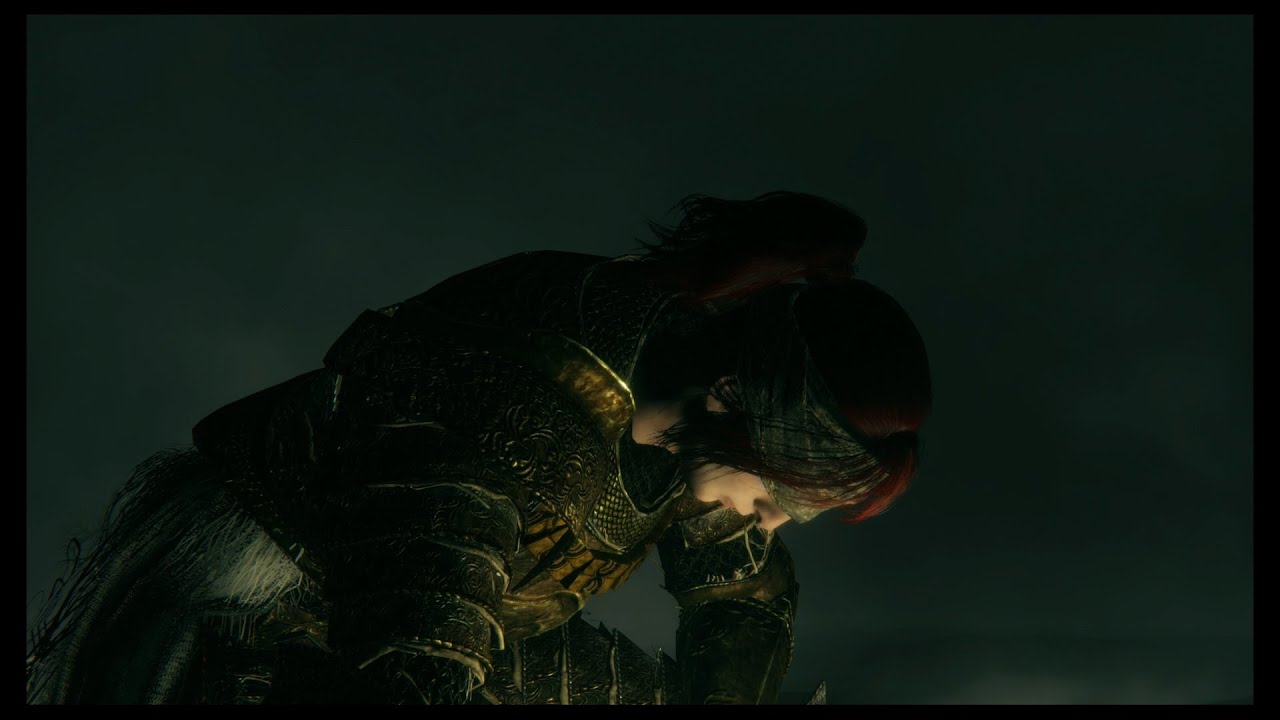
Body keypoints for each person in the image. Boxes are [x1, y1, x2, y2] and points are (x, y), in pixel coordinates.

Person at [26, 191, 932, 704]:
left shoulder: (703, 412)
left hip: (459, 628)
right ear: (731, 397)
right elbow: (412, 654)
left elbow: (738, 598)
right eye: (780, 495)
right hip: (267, 627)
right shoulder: (518, 404)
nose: (771, 522)